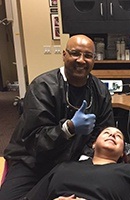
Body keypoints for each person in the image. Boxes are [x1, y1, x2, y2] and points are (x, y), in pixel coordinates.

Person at [0, 35, 115, 200]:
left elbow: (104, 131)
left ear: (93, 59)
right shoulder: (42, 86)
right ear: (64, 55)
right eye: (75, 53)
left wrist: (87, 157)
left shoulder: (100, 91)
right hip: (32, 160)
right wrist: (69, 128)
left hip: (74, 159)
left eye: (88, 56)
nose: (81, 60)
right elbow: (35, 140)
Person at [22, 127, 130, 200]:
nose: (112, 135)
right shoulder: (64, 167)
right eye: (106, 133)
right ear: (93, 144)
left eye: (118, 136)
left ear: (122, 153)